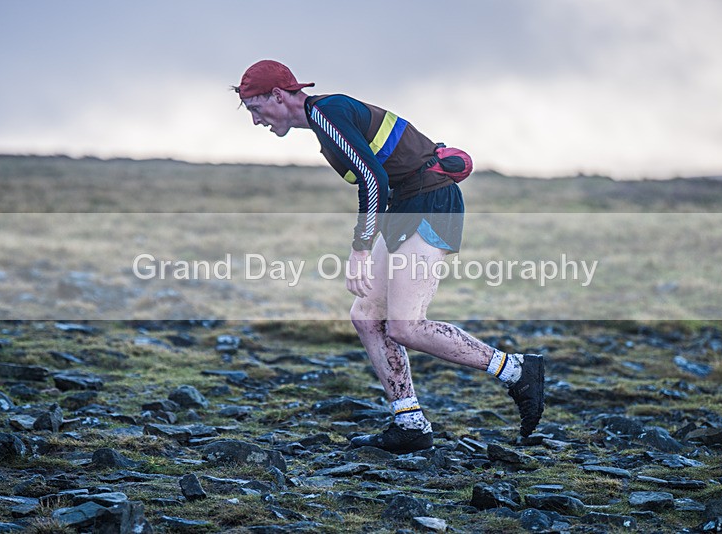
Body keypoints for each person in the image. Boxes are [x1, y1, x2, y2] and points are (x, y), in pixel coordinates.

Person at [233, 60, 544, 453]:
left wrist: (360, 248)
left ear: (278, 96)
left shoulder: (326, 112)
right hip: (403, 207)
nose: (257, 121)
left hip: (430, 203)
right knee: (366, 316)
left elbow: (371, 178)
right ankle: (410, 423)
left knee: (405, 326)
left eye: (256, 109)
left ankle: (517, 370)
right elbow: (381, 178)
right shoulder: (323, 121)